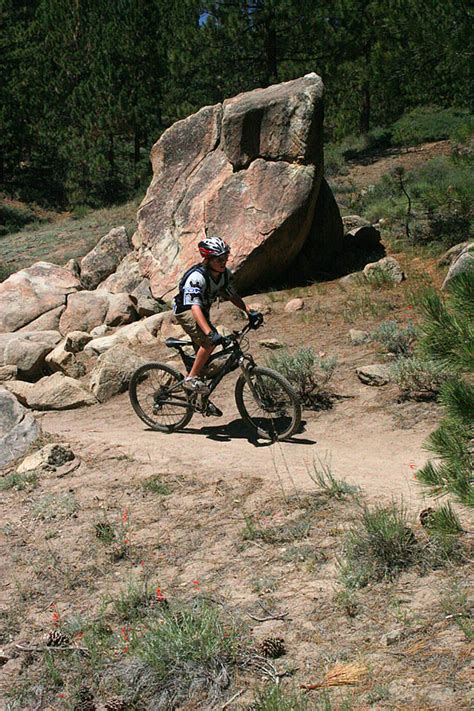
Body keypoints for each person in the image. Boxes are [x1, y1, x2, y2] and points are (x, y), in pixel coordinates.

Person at [172, 236, 262, 394]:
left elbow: (231, 295)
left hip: (202, 309)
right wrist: (209, 333)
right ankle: (190, 379)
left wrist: (249, 312)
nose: (223, 261)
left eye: (225, 257)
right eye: (218, 259)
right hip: (186, 310)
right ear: (208, 259)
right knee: (209, 341)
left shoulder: (224, 274)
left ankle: (197, 391)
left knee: (210, 350)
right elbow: (194, 308)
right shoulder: (196, 277)